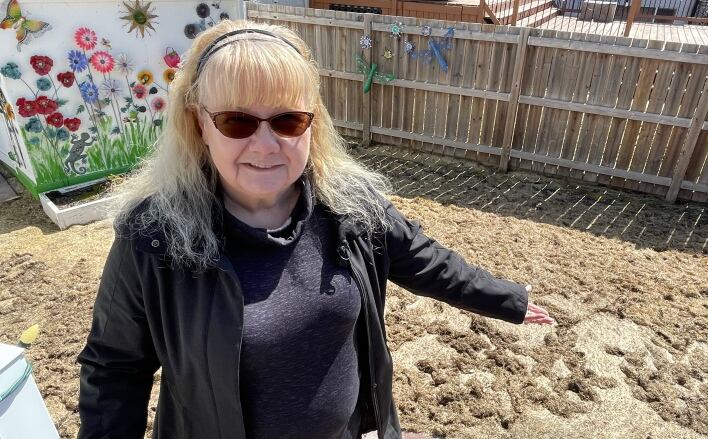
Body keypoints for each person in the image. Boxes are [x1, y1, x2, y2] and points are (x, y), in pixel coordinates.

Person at [76, 19, 555, 439]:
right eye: (236, 121)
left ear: (312, 125)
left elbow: (425, 259)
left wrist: (506, 298)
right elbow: (115, 368)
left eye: (288, 120)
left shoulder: (350, 209)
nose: (266, 145)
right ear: (198, 124)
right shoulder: (154, 237)